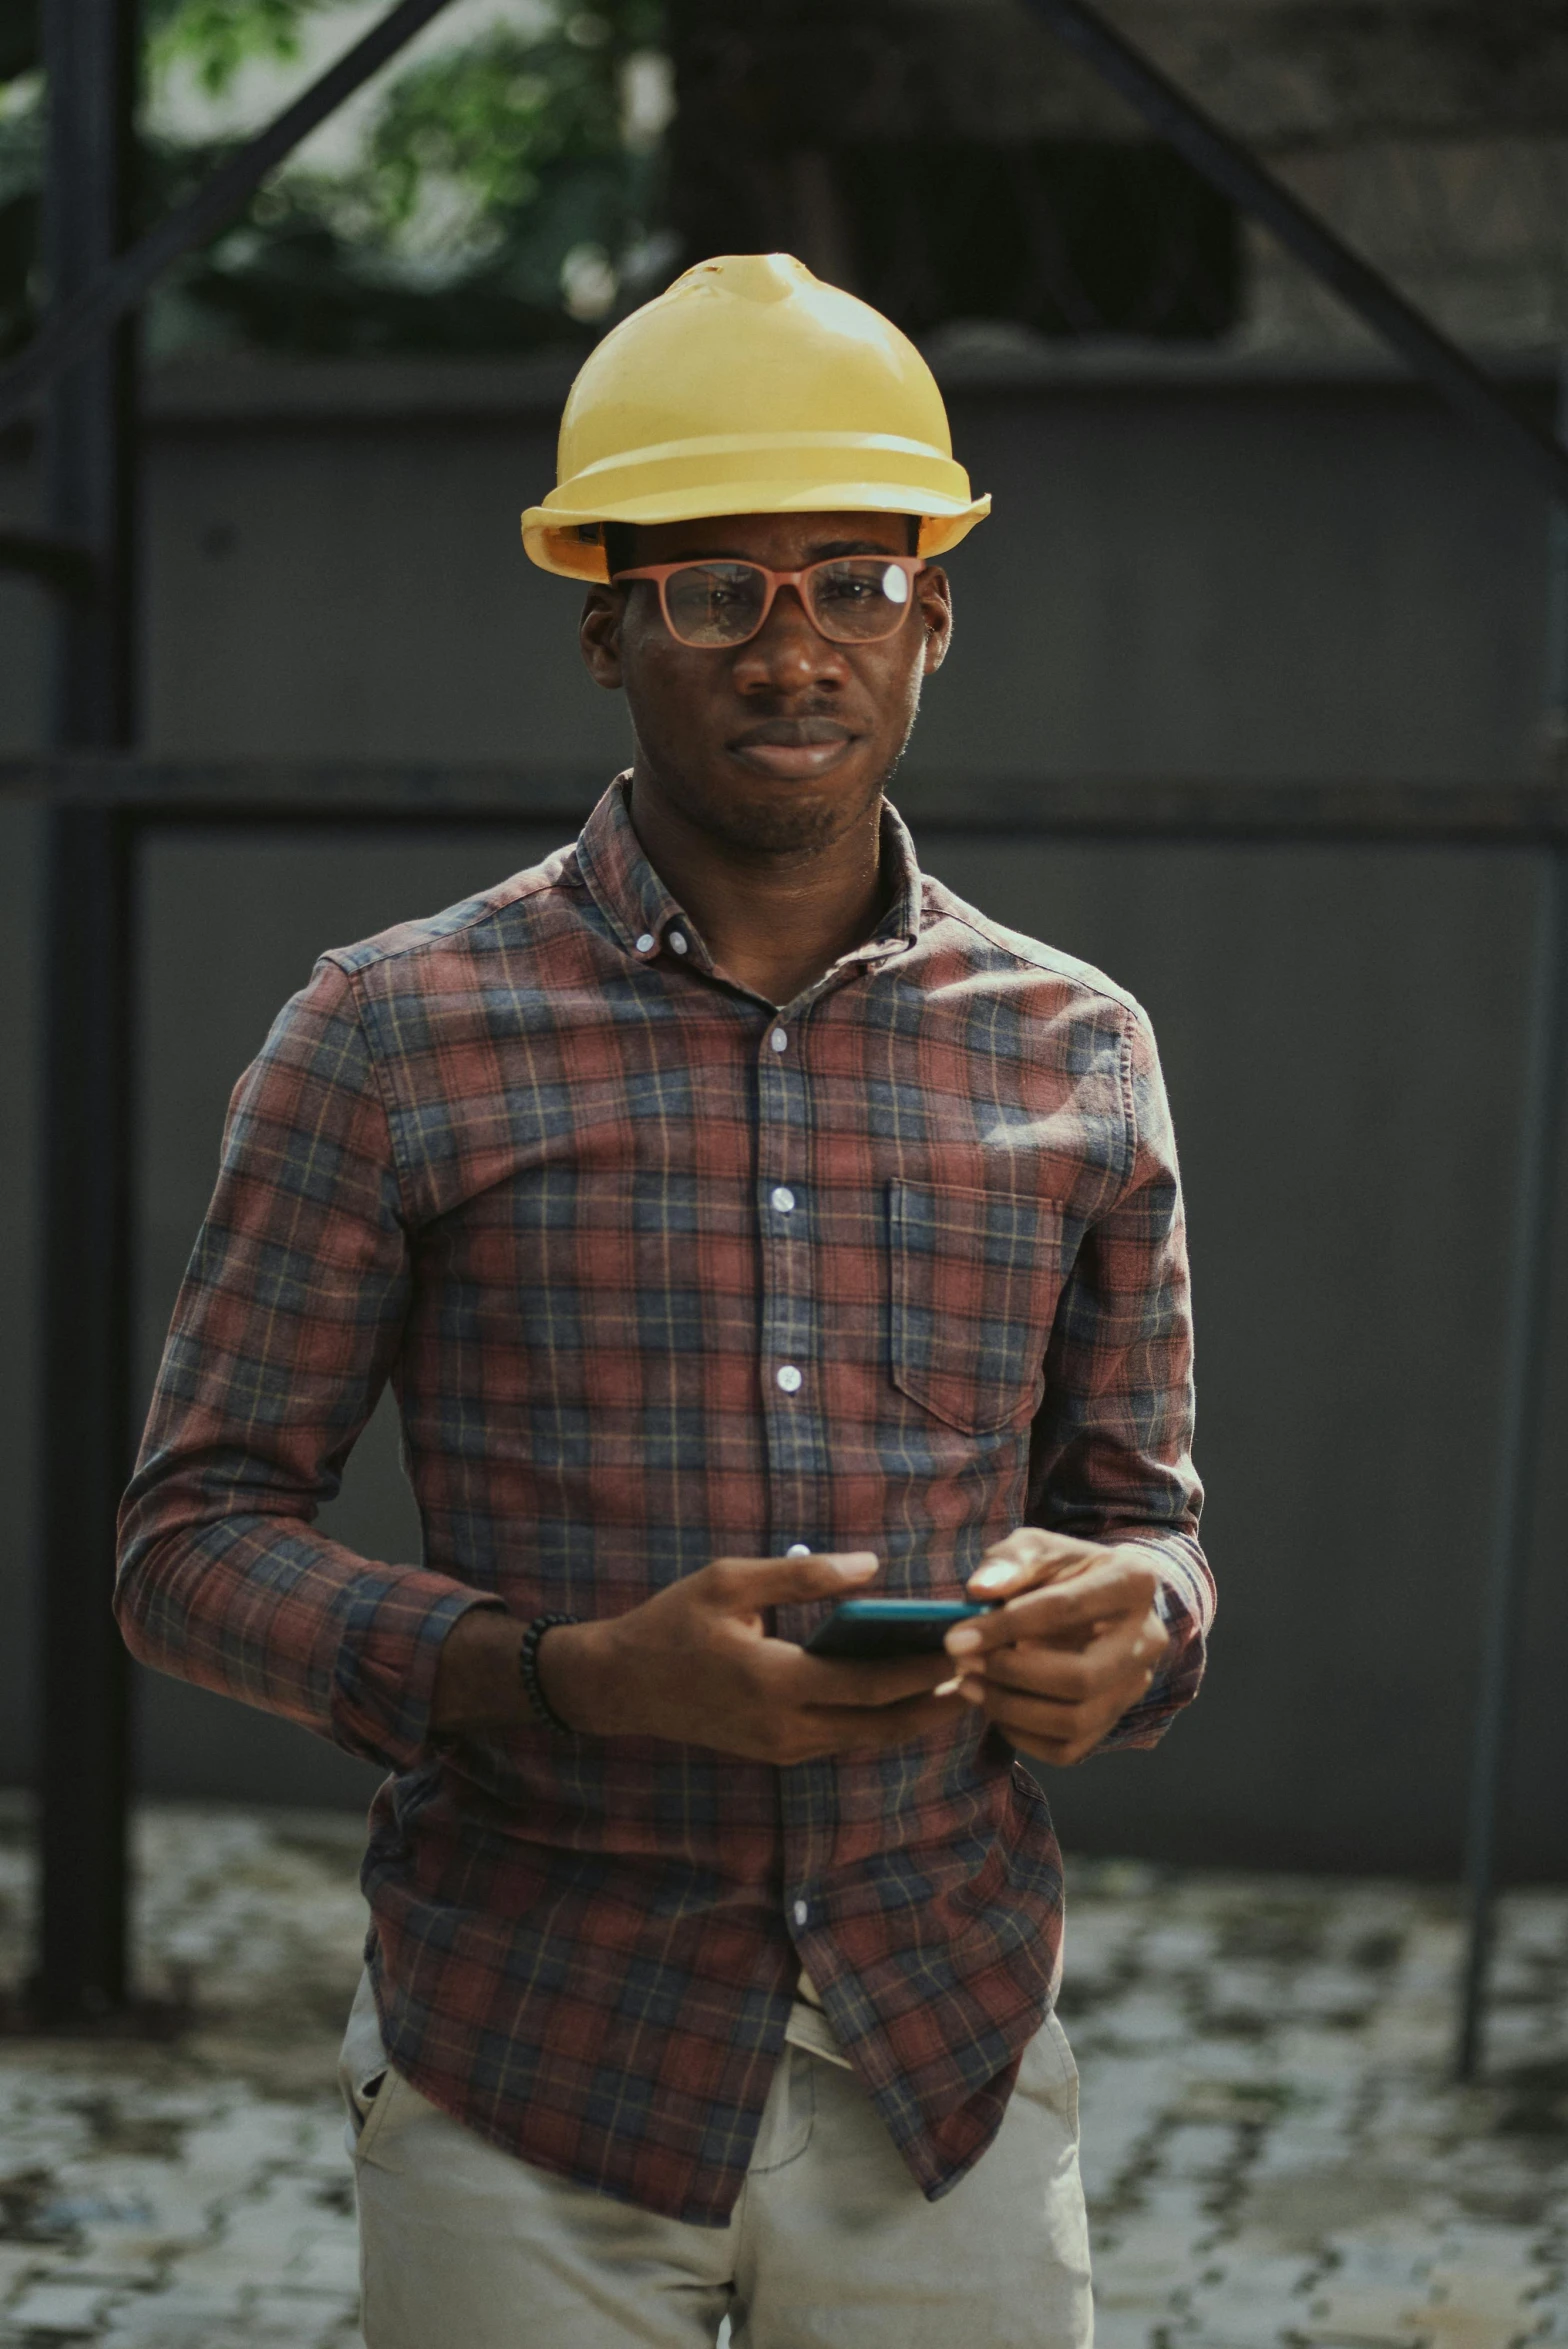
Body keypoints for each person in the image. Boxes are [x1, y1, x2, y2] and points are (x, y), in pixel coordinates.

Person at [116, 251, 1212, 2349]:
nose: (792, 646)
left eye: (852, 581)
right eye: (717, 589)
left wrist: (1130, 1632)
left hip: (943, 2066)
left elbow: (1148, 1522)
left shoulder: (1075, 1047)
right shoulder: (390, 1034)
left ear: (935, 615)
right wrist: (565, 1672)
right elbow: (183, 1552)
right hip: (533, 2065)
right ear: (605, 623)